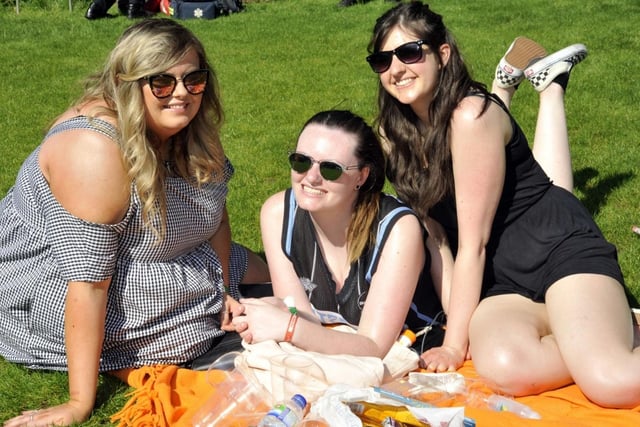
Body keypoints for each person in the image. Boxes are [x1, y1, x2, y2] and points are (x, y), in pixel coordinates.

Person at [366, 1, 640, 408]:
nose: (397, 68)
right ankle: (603, 327)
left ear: (442, 54)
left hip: (558, 251)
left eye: (409, 52)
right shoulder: (394, 135)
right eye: (382, 60)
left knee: (611, 383)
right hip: (503, 282)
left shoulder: (471, 116)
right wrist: (456, 324)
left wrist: (455, 345)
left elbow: (473, 242)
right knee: (504, 366)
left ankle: (597, 337)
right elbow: (440, 242)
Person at [0, 18, 269, 427]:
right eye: (162, 82)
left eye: (194, 79)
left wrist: (226, 287)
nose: (181, 93)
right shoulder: (93, 149)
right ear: (129, 83)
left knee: (274, 281)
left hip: (171, 251)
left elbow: (214, 211)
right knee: (227, 310)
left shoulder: (193, 127)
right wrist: (78, 404)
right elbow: (89, 284)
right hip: (67, 281)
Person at [232, 110, 446, 358]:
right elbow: (300, 315)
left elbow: (373, 348)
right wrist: (278, 314)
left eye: (330, 169)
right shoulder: (278, 215)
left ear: (361, 176)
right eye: (301, 161)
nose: (311, 177)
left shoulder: (396, 229)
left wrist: (289, 327)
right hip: (336, 353)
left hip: (416, 350)